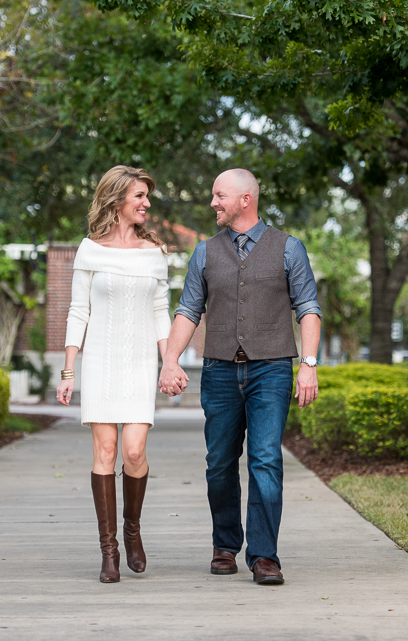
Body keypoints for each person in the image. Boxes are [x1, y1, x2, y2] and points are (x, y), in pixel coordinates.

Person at [159, 168, 321, 586]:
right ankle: (225, 545)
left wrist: (308, 364)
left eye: (219, 195)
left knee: (266, 459)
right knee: (219, 463)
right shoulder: (204, 253)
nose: (213, 202)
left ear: (245, 199)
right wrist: (170, 360)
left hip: (271, 370)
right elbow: (188, 311)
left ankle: (265, 555)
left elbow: (308, 308)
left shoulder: (289, 248)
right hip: (218, 370)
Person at [56, 166, 171, 583]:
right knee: (104, 451)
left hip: (141, 361)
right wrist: (69, 371)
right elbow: (78, 312)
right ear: (118, 199)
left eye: (147, 196)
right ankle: (109, 551)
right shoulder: (90, 250)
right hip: (101, 361)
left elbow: (162, 312)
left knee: (134, 452)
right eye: (139, 196)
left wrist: (169, 361)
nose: (146, 204)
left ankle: (133, 529)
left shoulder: (154, 253)